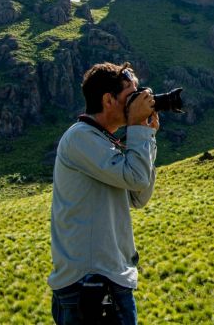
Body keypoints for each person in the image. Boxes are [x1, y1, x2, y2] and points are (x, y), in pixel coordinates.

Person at [48, 62, 159, 324]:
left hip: (110, 280)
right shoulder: (81, 138)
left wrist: (147, 136)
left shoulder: (102, 141)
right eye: (130, 97)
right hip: (90, 286)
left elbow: (138, 195)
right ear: (108, 100)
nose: (136, 103)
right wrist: (139, 131)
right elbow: (136, 177)